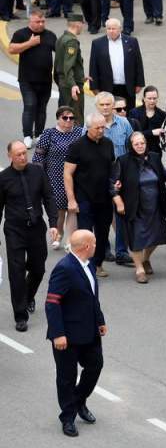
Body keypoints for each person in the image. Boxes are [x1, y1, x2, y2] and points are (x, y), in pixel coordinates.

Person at [45, 229, 106, 438]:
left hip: (88, 330)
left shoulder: (88, 265)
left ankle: (79, 401)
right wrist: (58, 334)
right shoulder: (65, 268)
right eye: (94, 243)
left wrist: (100, 320)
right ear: (87, 246)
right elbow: (52, 303)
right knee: (66, 377)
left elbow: (91, 297)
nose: (96, 246)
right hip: (67, 335)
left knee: (95, 365)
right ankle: (68, 417)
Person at [0, 139, 59, 332]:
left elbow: (49, 197)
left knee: (38, 268)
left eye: (24, 153)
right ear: (10, 157)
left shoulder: (37, 171)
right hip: (14, 230)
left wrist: (53, 224)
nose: (23, 156)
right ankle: (20, 315)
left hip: (35, 228)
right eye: (18, 154)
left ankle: (28, 295)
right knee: (16, 272)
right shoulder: (4, 179)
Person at [111, 132, 166, 284]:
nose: (140, 146)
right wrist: (119, 201)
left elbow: (164, 174)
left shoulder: (154, 157)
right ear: (131, 145)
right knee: (136, 238)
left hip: (155, 205)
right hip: (135, 206)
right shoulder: (123, 161)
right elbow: (113, 183)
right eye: (136, 144)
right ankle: (139, 269)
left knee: (158, 236)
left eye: (142, 143)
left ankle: (145, 259)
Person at [64, 114, 115, 277]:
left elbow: (112, 168)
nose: (101, 131)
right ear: (88, 128)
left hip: (105, 197)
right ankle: (84, 266)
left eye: (103, 127)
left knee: (103, 232)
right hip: (84, 197)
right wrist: (71, 200)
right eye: (98, 128)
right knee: (86, 235)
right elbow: (67, 174)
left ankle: (97, 264)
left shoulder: (108, 144)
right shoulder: (77, 146)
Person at [33, 106, 84, 249]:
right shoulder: (48, 134)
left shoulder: (80, 132)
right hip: (54, 177)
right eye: (65, 118)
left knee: (72, 209)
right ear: (58, 118)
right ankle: (59, 233)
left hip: (76, 176)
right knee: (59, 210)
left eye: (71, 118)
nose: (68, 121)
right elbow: (38, 156)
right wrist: (39, 177)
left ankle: (70, 240)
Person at [10, 11, 58, 149]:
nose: (41, 24)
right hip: (27, 80)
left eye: (43, 21)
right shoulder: (21, 34)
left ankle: (39, 134)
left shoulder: (50, 35)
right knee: (30, 106)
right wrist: (30, 43)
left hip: (46, 80)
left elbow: (59, 51)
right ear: (30, 21)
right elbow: (12, 49)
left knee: (42, 108)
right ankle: (27, 136)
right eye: (38, 21)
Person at [88, 19, 145, 110]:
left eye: (113, 28)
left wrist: (139, 83)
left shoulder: (131, 41)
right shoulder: (97, 43)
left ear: (120, 29)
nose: (111, 31)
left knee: (129, 112)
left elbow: (138, 63)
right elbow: (93, 66)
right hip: (107, 87)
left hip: (127, 86)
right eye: (108, 28)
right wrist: (94, 87)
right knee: (108, 113)